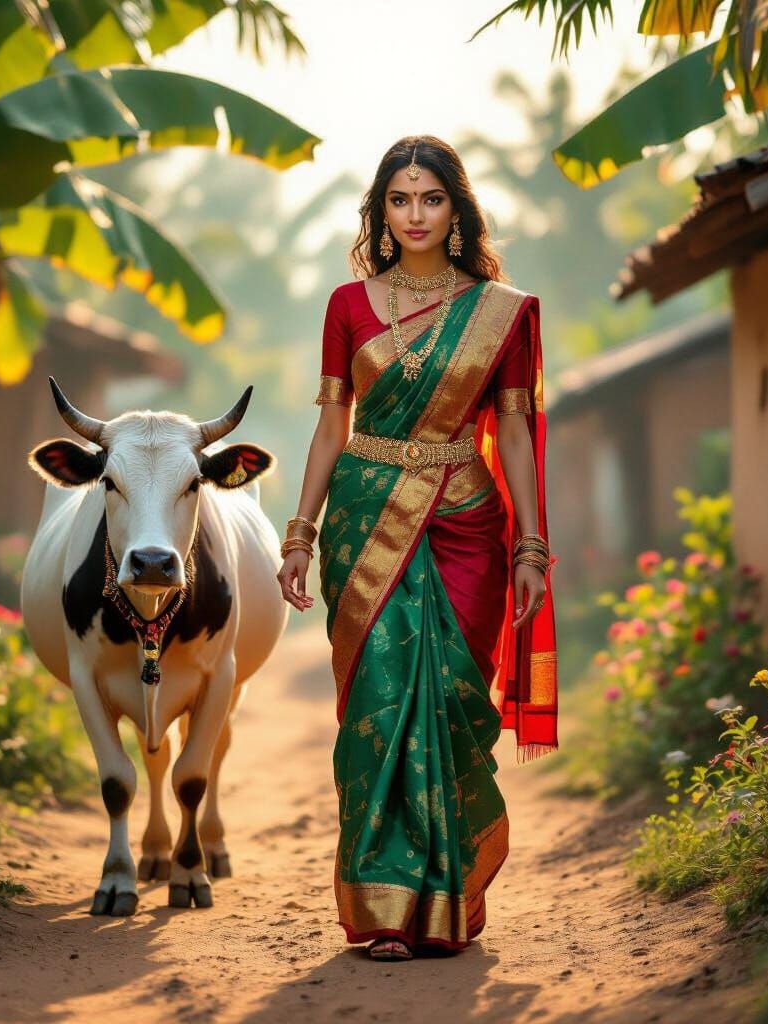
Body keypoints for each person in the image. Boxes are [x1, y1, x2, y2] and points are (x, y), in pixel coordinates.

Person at [276, 135, 558, 963]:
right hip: (365, 518)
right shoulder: (348, 303)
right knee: (381, 705)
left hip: (468, 521)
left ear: (456, 210)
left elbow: (513, 427)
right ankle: (384, 906)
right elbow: (333, 426)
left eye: (430, 198)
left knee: (451, 707)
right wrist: (299, 532)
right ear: (381, 212)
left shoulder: (502, 310)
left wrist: (531, 549)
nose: (415, 214)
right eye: (400, 200)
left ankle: (445, 900)